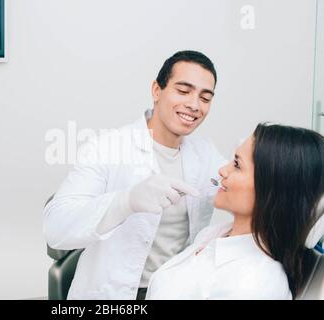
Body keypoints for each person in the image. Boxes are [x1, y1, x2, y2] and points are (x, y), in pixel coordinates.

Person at [43, 50, 226, 299]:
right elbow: (56, 227)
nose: (194, 105)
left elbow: (246, 188)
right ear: (156, 90)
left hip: (174, 290)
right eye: (183, 91)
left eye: (205, 98)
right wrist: (126, 201)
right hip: (114, 294)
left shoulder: (207, 154)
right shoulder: (107, 147)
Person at [146, 123, 324, 299]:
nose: (222, 170)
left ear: (272, 187)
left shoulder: (255, 285)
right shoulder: (217, 234)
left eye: (237, 165)